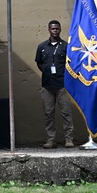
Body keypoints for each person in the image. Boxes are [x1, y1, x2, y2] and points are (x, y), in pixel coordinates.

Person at [34, 20, 74, 148]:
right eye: (53, 29)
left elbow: (71, 63)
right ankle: (51, 139)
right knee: (48, 113)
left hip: (62, 85)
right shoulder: (42, 47)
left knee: (66, 112)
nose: (55, 30)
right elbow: (39, 63)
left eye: (57, 28)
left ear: (60, 30)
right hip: (47, 85)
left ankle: (69, 139)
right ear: (49, 30)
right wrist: (47, 73)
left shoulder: (65, 46)